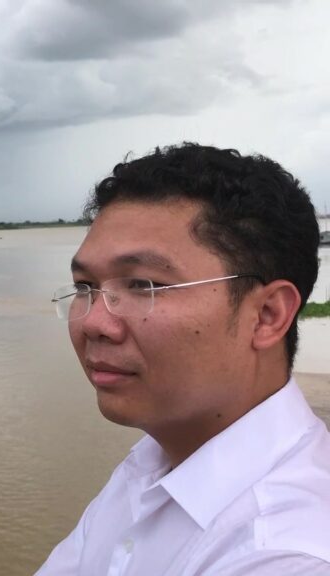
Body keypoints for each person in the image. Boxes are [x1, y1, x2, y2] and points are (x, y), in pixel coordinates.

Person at [37, 143, 330, 575]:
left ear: (267, 315)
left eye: (143, 284)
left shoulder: (288, 553)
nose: (93, 322)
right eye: (85, 287)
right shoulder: (154, 461)